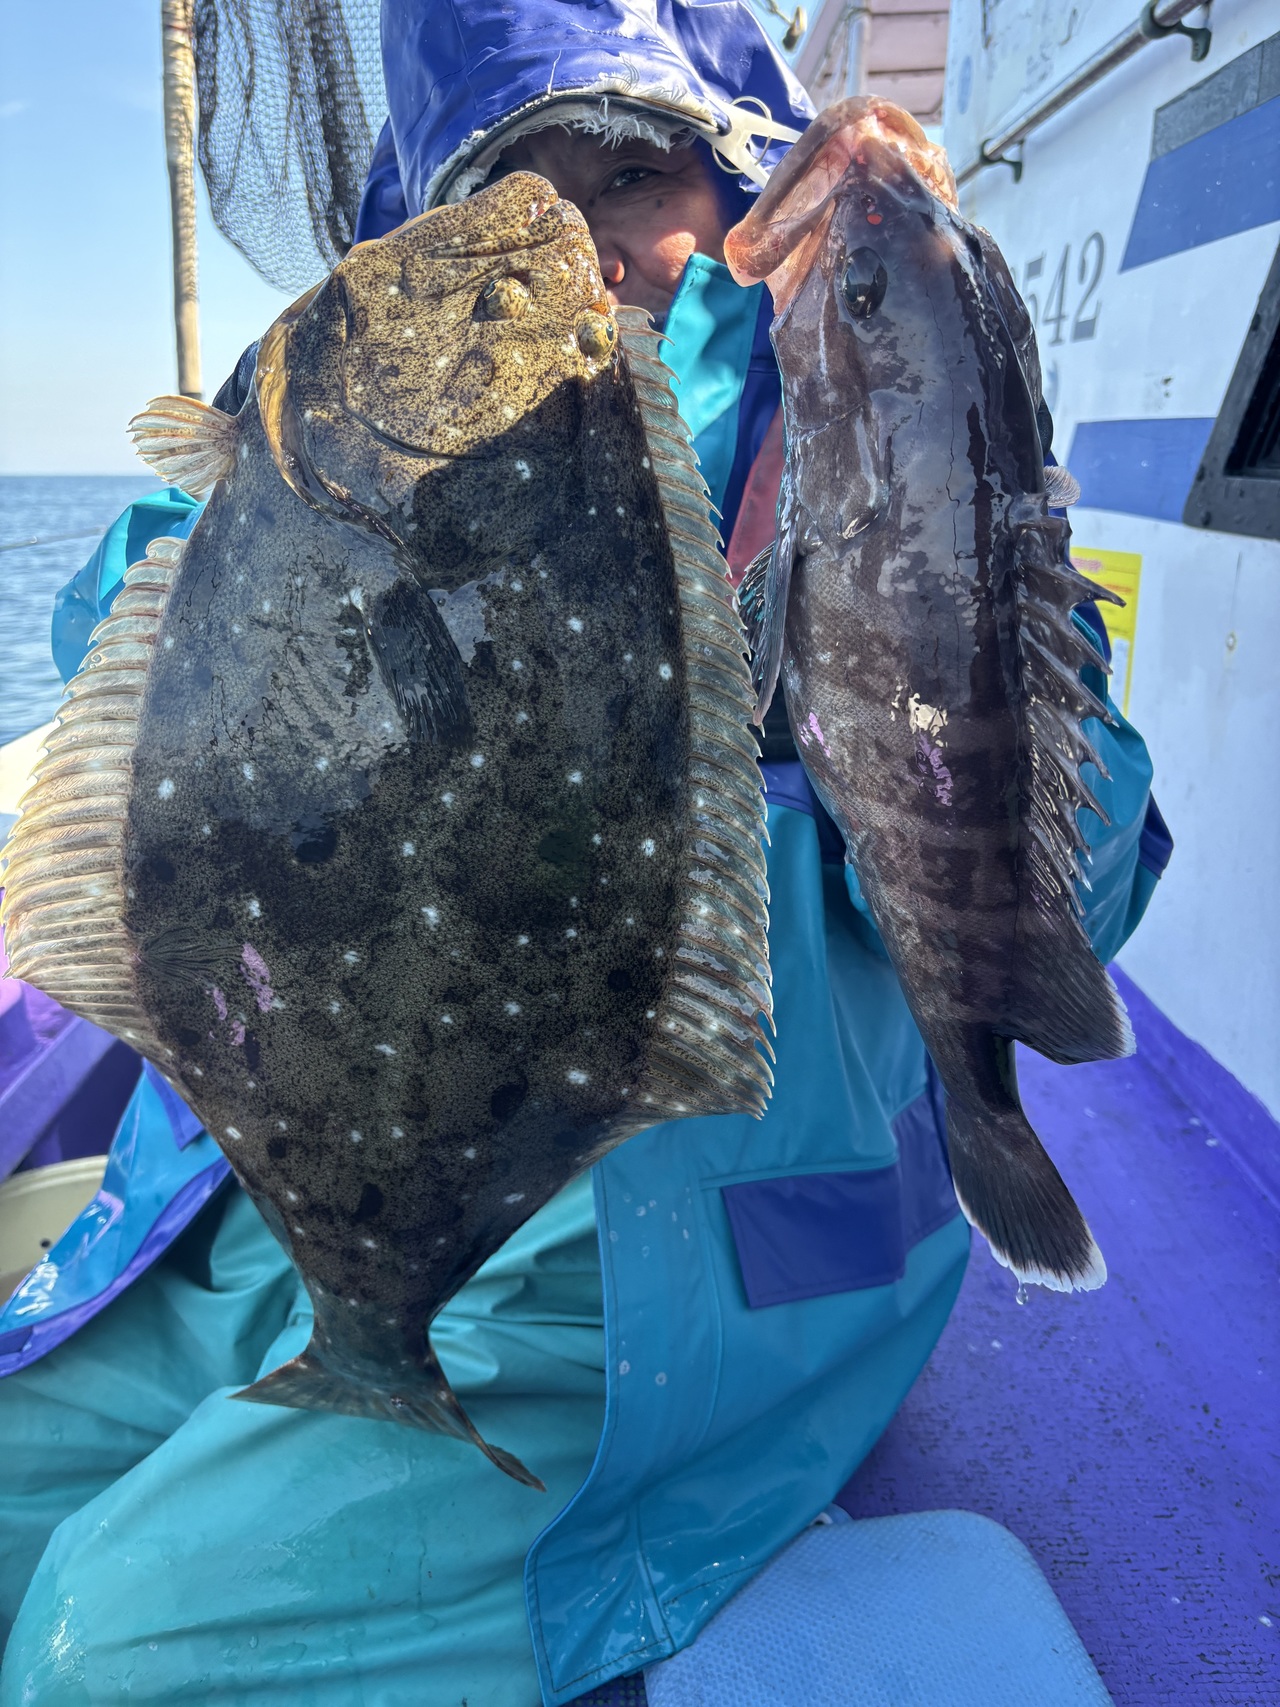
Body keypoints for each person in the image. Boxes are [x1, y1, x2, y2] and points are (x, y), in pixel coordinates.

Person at [0, 2, 1171, 1701]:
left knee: (107, 1652)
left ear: (741, 194)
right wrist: (266, 520)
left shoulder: (860, 451)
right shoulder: (355, 438)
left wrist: (911, 563)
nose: (582, 247)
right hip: (279, 1197)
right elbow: (114, 664)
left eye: (633, 176)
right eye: (507, 193)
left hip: (654, 1288)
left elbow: (1082, 879)